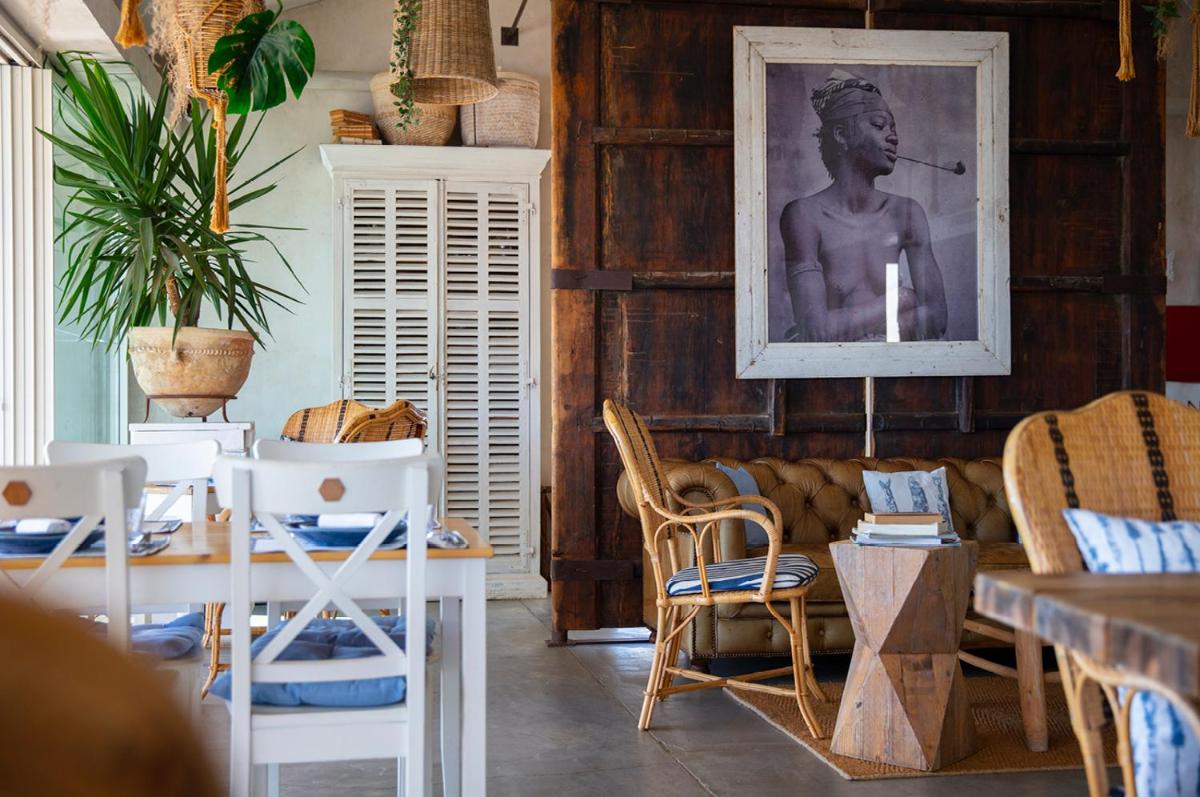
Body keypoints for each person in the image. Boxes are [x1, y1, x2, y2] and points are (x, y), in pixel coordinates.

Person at [780, 70, 948, 343]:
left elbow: (937, 318)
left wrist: (849, 326)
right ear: (841, 134)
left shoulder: (906, 213)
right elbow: (814, 330)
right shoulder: (804, 215)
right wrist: (902, 298)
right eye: (879, 125)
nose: (893, 137)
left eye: (893, 128)